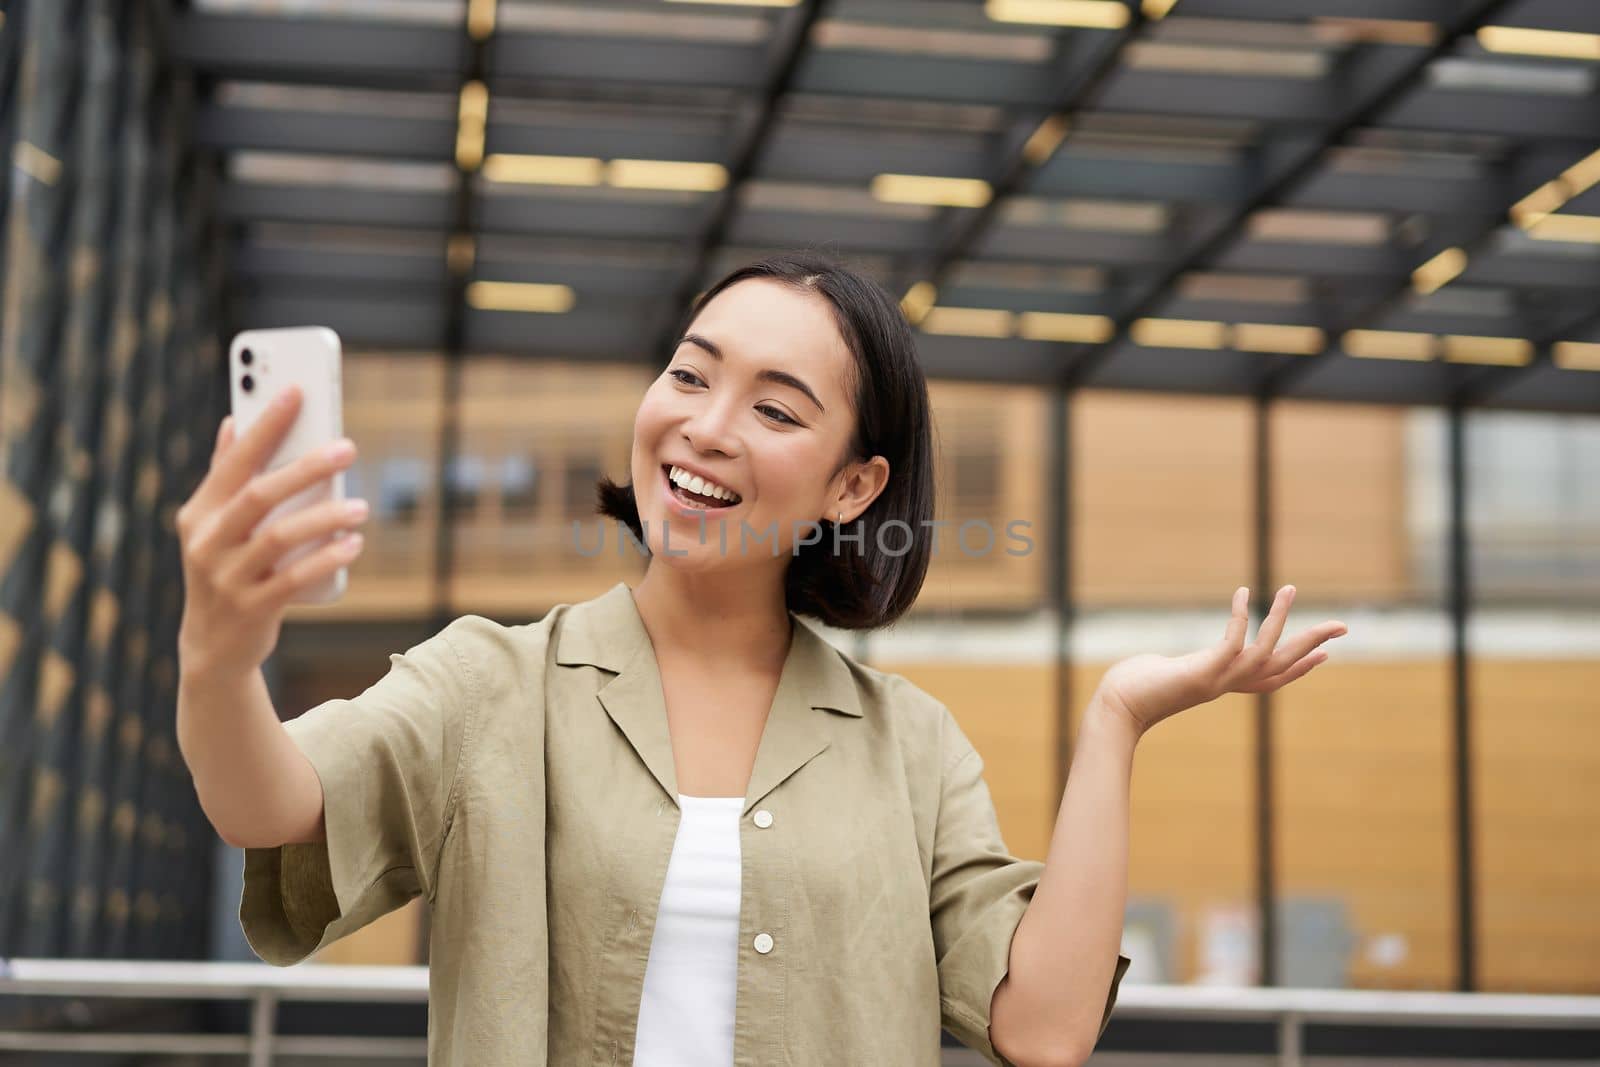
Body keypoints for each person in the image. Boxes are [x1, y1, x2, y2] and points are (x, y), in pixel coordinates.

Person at [175, 252, 1347, 1067]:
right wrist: (220, 654)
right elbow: (267, 800)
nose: (706, 425)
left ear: (854, 485)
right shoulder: (492, 684)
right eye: (691, 372)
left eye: (777, 409)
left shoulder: (911, 745)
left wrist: (1115, 721)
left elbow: (1042, 1028)